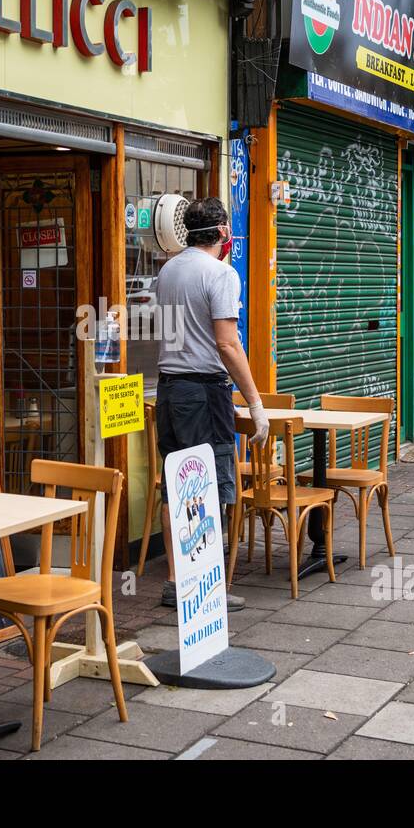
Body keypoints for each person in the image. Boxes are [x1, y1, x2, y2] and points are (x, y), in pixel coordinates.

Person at [154, 197, 269, 609]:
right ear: (223, 233)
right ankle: (204, 586)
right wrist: (255, 402)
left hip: (168, 389)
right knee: (209, 484)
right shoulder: (220, 273)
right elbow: (227, 343)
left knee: (175, 486)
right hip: (204, 391)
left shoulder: (168, 271)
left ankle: (174, 581)